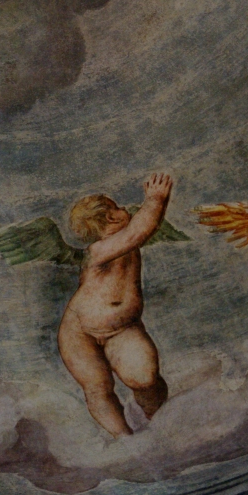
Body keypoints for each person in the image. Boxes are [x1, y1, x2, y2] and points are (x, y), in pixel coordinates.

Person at [56, 174, 173, 438]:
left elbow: (143, 230)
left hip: (122, 329)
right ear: (110, 217)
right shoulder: (98, 250)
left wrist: (157, 206)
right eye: (118, 207)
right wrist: (155, 200)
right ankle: (125, 441)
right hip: (78, 333)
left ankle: (159, 422)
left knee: (145, 378)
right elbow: (140, 230)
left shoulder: (127, 240)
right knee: (97, 387)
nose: (124, 210)